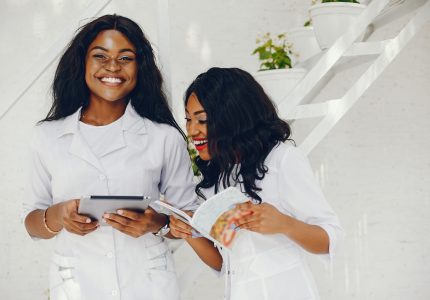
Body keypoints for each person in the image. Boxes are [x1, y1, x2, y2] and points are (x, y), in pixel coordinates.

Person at [22, 14, 197, 300]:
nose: (113, 67)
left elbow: (189, 220)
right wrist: (58, 216)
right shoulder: (47, 137)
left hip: (147, 281)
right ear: (82, 63)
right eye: (100, 56)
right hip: (75, 282)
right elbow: (32, 222)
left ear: (140, 67)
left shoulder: (164, 137)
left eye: (126, 58)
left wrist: (158, 224)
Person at [169, 67, 344, 300]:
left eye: (202, 120)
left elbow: (331, 239)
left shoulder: (283, 160)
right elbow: (224, 265)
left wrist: (285, 224)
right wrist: (189, 233)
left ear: (233, 116)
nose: (191, 131)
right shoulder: (217, 177)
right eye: (189, 120)